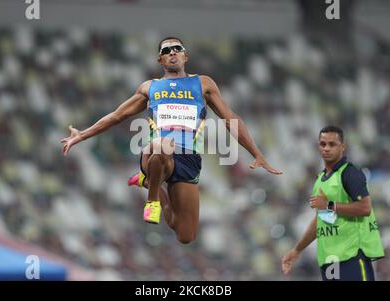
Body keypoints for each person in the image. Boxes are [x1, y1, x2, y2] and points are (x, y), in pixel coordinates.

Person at [61, 37, 282, 244]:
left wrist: (256, 152)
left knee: (185, 235)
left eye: (177, 49)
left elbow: (230, 118)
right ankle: (152, 200)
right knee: (162, 145)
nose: (172, 52)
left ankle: (148, 182)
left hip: (188, 158)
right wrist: (82, 135)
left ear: (186, 56)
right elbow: (117, 115)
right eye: (166, 50)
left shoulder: (203, 84)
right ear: (160, 59)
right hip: (156, 153)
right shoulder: (150, 87)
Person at [281, 125, 384, 281]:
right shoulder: (320, 181)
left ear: (343, 147)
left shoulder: (350, 173)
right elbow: (322, 219)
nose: (326, 148)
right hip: (331, 260)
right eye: (323, 144)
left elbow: (365, 208)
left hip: (353, 256)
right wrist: (297, 250)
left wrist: (329, 205)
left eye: (332, 144)